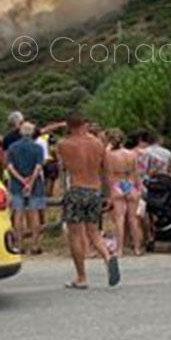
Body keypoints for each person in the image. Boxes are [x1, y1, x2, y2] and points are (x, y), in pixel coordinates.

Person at [57, 112, 120, 289]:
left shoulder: (64, 144)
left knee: (75, 234)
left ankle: (82, 277)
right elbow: (107, 171)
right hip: (94, 191)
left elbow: (63, 168)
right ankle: (107, 256)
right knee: (94, 232)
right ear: (84, 124)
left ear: (68, 126)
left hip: (76, 189)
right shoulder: (98, 144)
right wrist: (110, 195)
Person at [7, 121, 45, 254]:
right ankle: (35, 244)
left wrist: (22, 181)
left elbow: (10, 167)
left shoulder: (12, 147)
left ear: (20, 132)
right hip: (35, 185)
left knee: (18, 213)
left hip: (17, 185)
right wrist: (30, 183)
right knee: (34, 213)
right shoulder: (38, 148)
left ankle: (19, 244)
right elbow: (38, 167)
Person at [105, 128, 142, 256]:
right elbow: (136, 173)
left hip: (117, 183)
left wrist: (110, 192)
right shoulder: (132, 154)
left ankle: (120, 249)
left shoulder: (110, 155)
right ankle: (137, 248)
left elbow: (109, 175)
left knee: (119, 219)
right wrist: (139, 188)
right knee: (133, 219)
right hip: (129, 184)